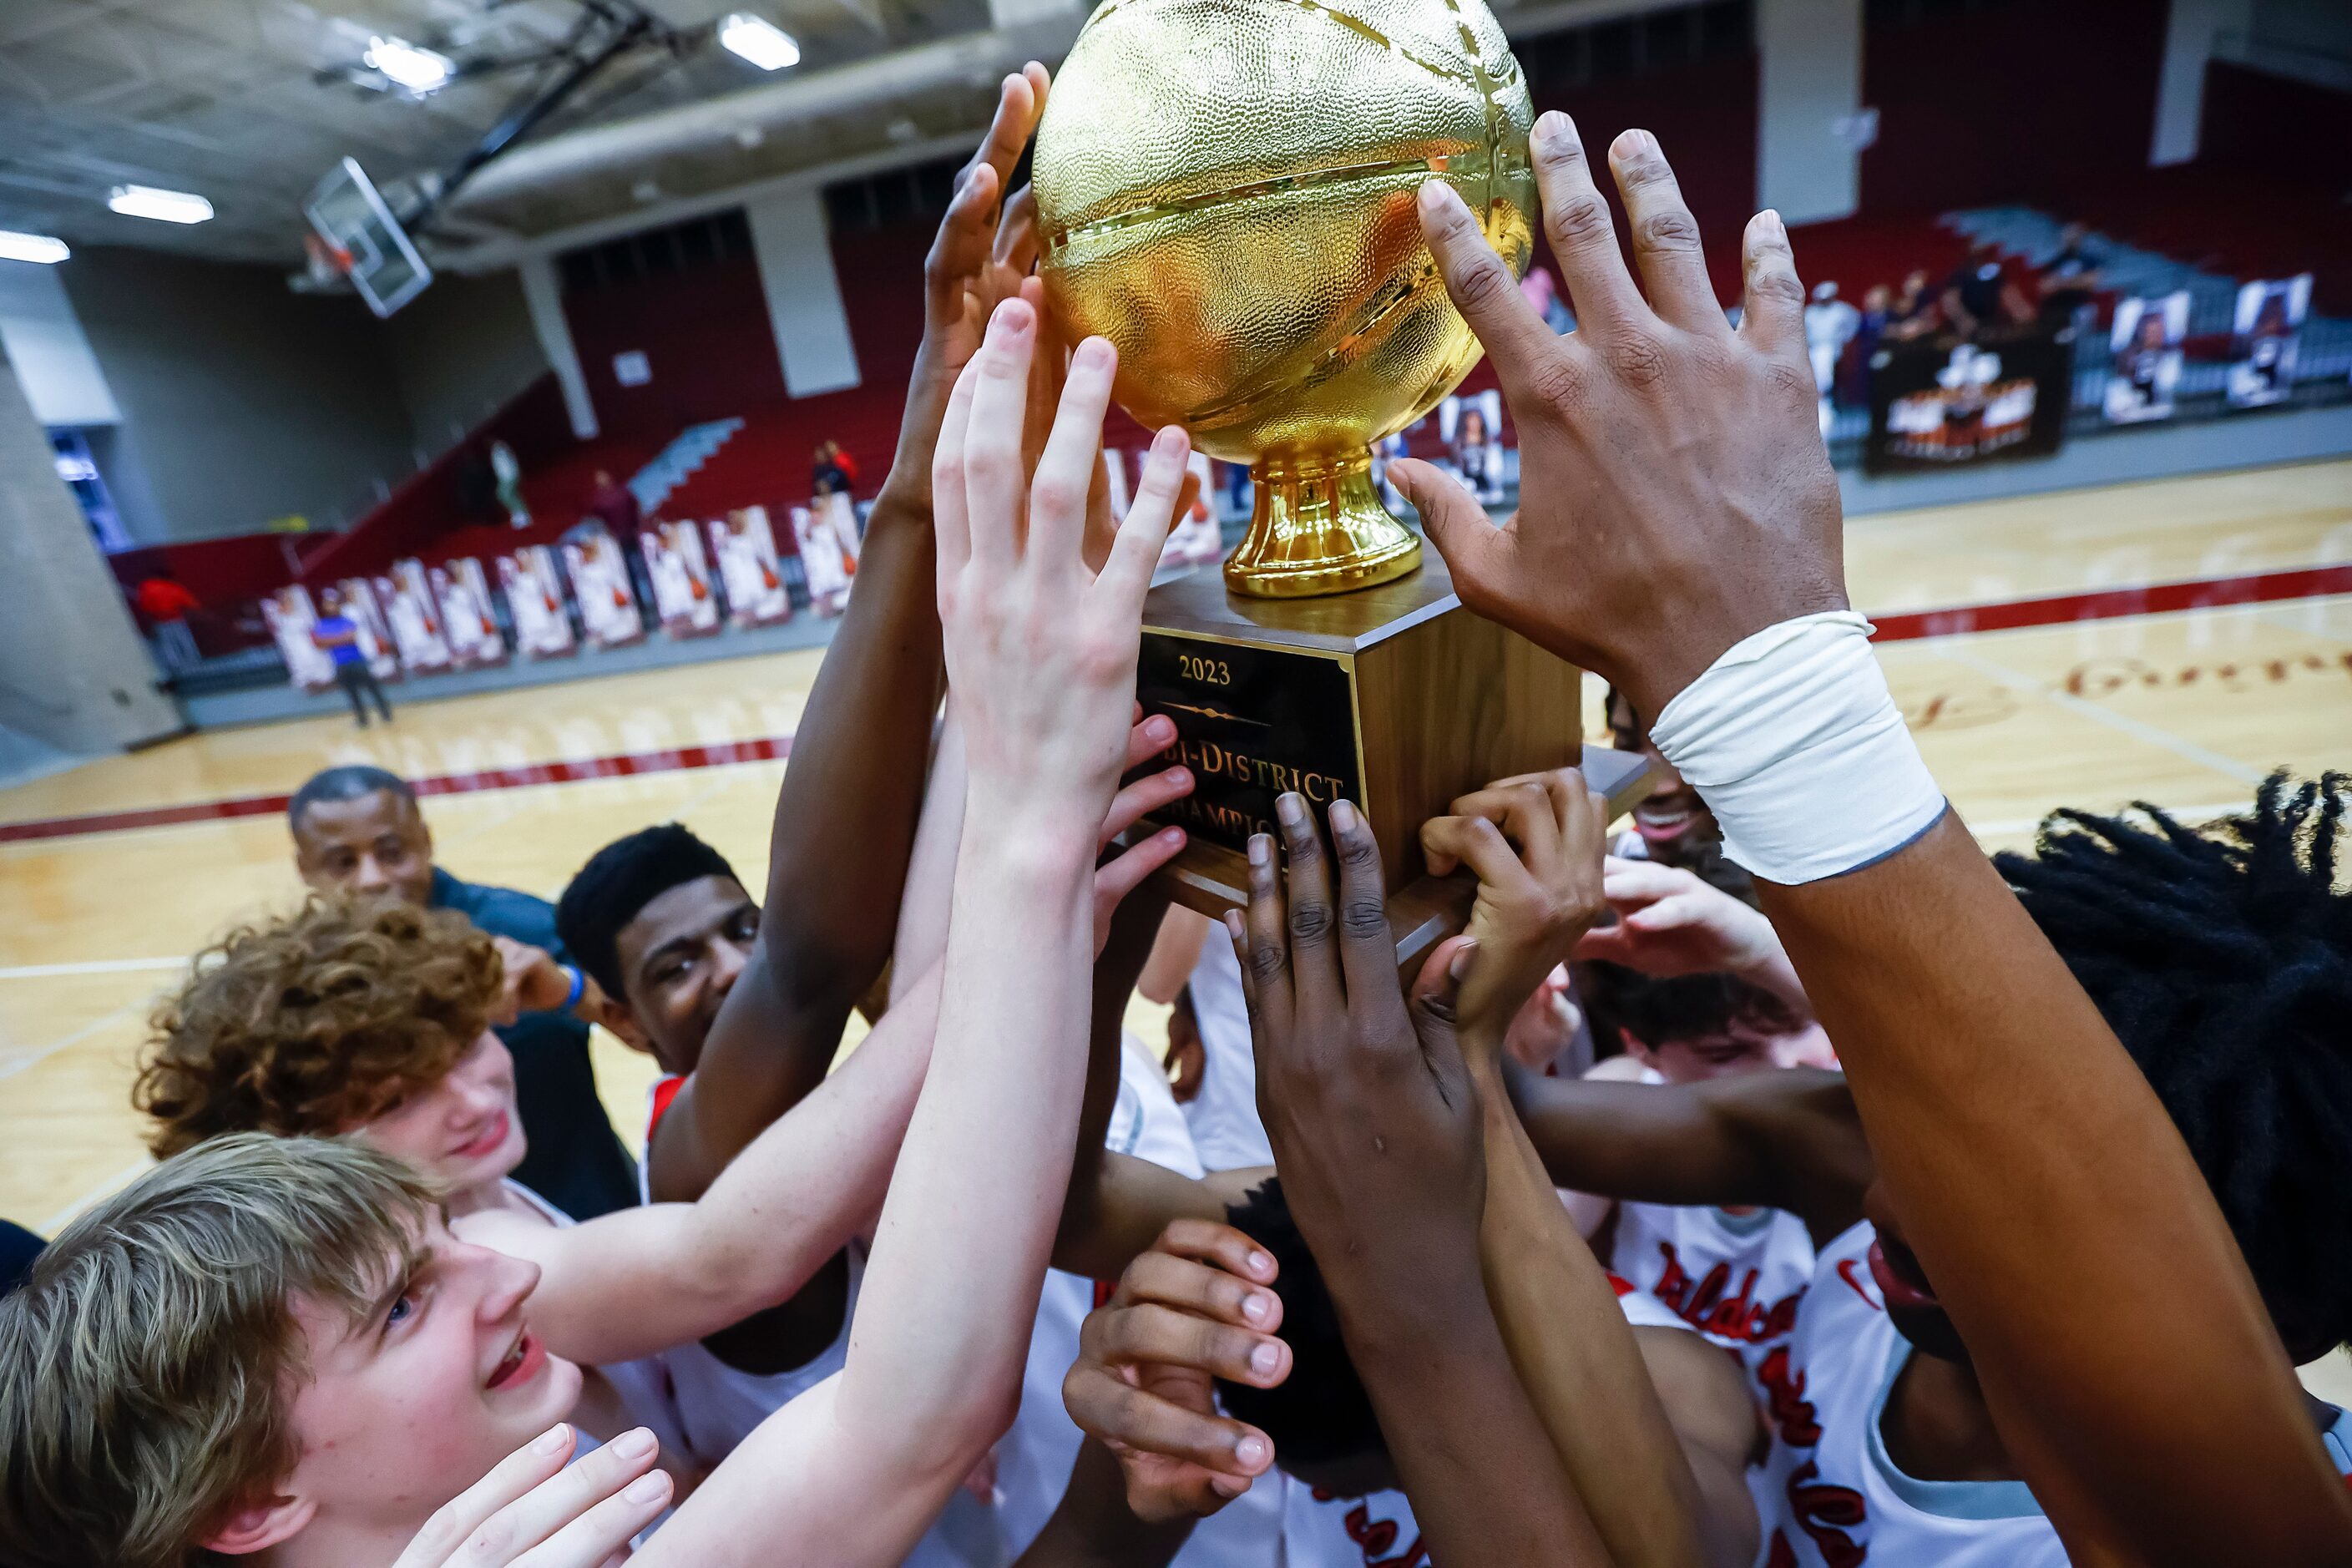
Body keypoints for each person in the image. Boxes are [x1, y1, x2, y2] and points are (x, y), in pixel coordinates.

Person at [1388, 112, 2352, 1555]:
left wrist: (1768, 680)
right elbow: (1506, 1122)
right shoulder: (1860, 1171)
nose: (1890, 1174)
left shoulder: (2260, 1513)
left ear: (2264, 1315)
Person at [1497, 774, 2352, 1563]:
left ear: (2280, 1317)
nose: (1890, 1202)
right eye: (1951, 1149)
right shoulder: (1843, 1161)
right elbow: (1502, 1111)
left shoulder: (2277, 1531)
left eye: (2027, 1216)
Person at [286, 763, 638, 1222]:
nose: (371, 878)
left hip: (586, 1207)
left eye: (392, 852)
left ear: (425, 840)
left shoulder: (524, 928)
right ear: (306, 869)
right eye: (342, 862)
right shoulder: (294, 987)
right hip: (417, 1244)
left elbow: (657, 1032)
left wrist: (569, 990)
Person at [310, 586, 393, 727]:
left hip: (358, 662)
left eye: (333, 603)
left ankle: (386, 715)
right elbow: (319, 643)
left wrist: (331, 640)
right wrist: (341, 638)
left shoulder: (347, 620)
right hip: (341, 665)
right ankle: (362, 720)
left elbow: (351, 637)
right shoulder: (320, 625)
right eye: (327, 604)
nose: (330, 607)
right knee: (352, 695)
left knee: (373, 689)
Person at [582, 468, 655, 623]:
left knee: (647, 568)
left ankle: (656, 600)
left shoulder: (623, 492)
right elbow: (596, 521)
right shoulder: (598, 500)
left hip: (633, 536)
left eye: (604, 476)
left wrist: (639, 526)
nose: (602, 480)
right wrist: (606, 535)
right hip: (615, 543)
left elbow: (636, 508)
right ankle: (638, 606)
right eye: (599, 478)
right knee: (626, 574)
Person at [1938, 241, 2029, 341]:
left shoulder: (1994, 273)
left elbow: (2009, 293)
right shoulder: (1960, 274)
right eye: (1977, 251)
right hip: (1966, 322)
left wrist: (2020, 311)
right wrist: (1963, 320)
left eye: (1984, 252)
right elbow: (1950, 300)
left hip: (1991, 321)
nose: (1981, 255)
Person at [133, 568, 202, 672]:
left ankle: (175, 665)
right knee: (184, 641)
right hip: (177, 619)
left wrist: (150, 624)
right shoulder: (173, 588)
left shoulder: (147, 588)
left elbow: (146, 609)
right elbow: (190, 604)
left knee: (168, 644)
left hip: (160, 621)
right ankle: (194, 662)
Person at [2035, 221, 2102, 326]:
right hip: (2054, 308)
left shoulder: (2089, 258)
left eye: (2076, 234)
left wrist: (2061, 284)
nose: (2071, 237)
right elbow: (2044, 285)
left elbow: (2092, 281)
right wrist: (2075, 282)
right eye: (2068, 234)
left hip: (2079, 308)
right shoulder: (2057, 258)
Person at [490, 439, 530, 529]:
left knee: (509, 494)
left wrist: (517, 475)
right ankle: (516, 512)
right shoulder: (494, 453)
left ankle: (523, 514)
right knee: (500, 494)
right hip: (503, 478)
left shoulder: (503, 449)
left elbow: (512, 461)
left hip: (512, 475)